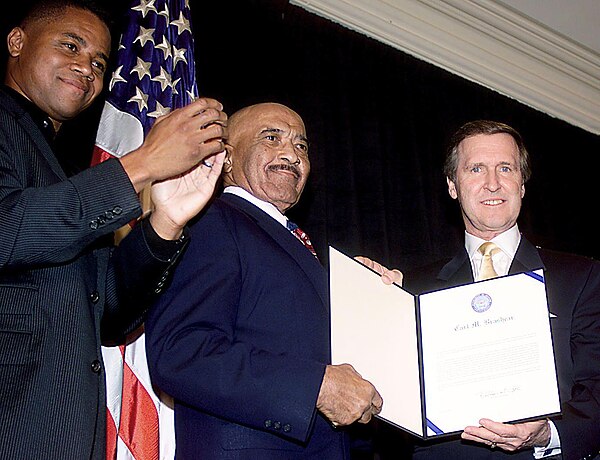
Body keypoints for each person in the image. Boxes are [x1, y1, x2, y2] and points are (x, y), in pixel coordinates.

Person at [0, 0, 227, 458]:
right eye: (71, 46)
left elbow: (109, 315)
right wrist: (141, 165)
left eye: (99, 62)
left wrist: (165, 221)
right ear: (17, 42)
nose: (86, 68)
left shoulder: (65, 171)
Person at [145, 102, 399, 459]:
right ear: (227, 158)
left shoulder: (295, 246)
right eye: (272, 137)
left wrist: (364, 301)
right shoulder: (212, 222)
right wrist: (315, 389)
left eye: (301, 146)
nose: (291, 154)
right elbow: (181, 352)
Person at [381, 120, 600, 460]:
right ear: (453, 185)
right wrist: (368, 297)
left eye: (506, 168)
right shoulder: (411, 288)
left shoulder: (581, 276)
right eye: (477, 169)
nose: (493, 183)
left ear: (522, 184)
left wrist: (549, 433)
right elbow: (386, 398)